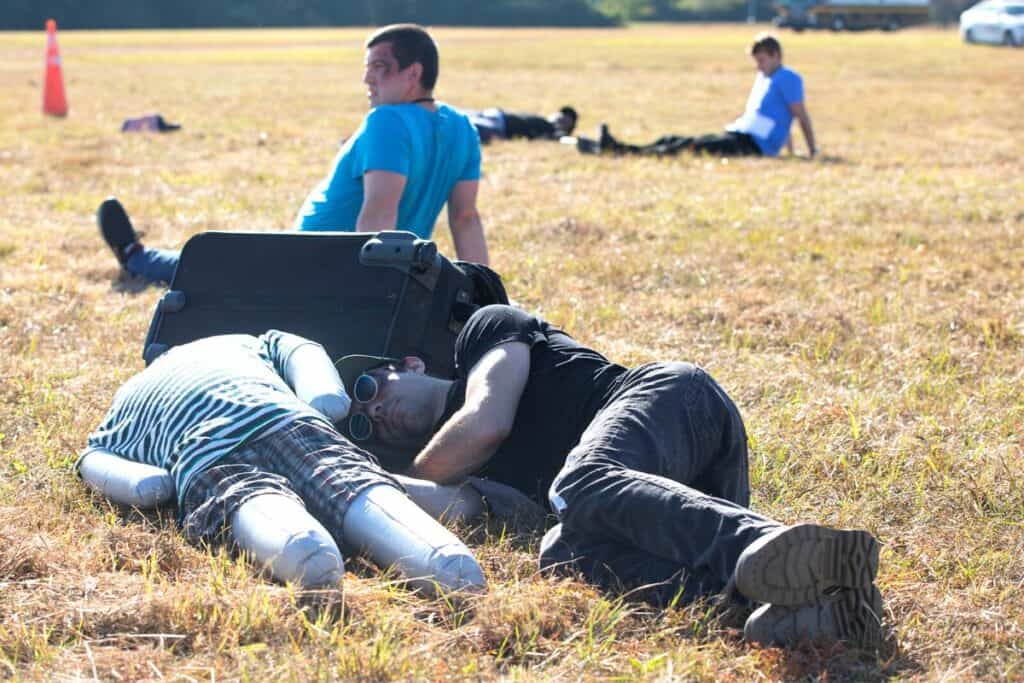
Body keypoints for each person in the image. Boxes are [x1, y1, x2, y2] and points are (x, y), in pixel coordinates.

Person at [334, 304, 883, 646]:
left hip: (681, 408)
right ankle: (807, 601)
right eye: (363, 426)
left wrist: (413, 467)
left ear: (409, 364)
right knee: (561, 552)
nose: (374, 413)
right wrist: (340, 481)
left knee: (580, 481)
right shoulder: (460, 478)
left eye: (368, 389)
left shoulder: (487, 330)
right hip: (666, 511)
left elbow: (485, 423)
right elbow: (458, 508)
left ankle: (770, 543)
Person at [76, 329, 490, 595]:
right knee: (342, 483)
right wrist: (141, 482)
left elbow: (94, 457)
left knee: (343, 480)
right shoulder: (131, 399)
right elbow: (93, 457)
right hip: (244, 442)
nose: (375, 409)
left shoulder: (237, 345)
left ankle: (433, 558)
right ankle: (441, 560)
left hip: (257, 433)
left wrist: (146, 485)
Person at [98, 23, 489, 286]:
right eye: (367, 67)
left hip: (318, 271)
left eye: (380, 67)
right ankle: (141, 257)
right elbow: (466, 219)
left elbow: (378, 219)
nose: (367, 78)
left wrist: (371, 297)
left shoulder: (388, 121)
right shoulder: (462, 127)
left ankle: (138, 259)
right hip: (365, 270)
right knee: (229, 261)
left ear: (413, 73)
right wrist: (483, 294)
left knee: (217, 267)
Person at [577, 33, 816, 159]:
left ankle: (621, 152)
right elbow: (779, 119)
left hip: (753, 145)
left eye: (762, 60)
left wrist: (811, 152)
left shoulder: (788, 78)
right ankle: (619, 148)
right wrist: (790, 151)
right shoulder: (765, 77)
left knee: (690, 147)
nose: (758, 66)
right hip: (740, 134)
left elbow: (799, 117)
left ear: (776, 55)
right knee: (671, 139)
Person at [464, 106, 577, 144]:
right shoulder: (542, 121)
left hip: (497, 127)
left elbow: (565, 140)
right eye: (561, 115)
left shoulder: (550, 132)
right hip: (493, 114)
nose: (560, 119)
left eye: (565, 122)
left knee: (464, 127)